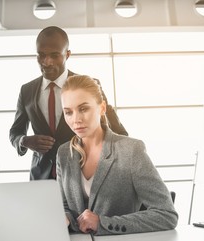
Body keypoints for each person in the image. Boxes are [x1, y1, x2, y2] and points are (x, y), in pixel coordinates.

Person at [57, 75, 178, 235]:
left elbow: (166, 215)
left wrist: (103, 222)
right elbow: (65, 206)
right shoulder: (64, 153)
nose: (76, 119)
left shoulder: (131, 150)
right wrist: (63, 218)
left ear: (102, 108)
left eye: (83, 109)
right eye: (68, 112)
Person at [9, 26, 127, 180]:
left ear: (67, 54)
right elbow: (15, 132)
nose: (47, 62)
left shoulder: (89, 84)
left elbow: (118, 131)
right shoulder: (27, 91)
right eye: (41, 55)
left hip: (83, 175)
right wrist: (24, 141)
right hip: (41, 176)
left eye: (55, 55)